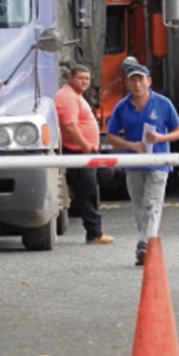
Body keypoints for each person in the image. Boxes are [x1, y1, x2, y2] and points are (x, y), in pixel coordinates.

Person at [106, 61, 179, 265]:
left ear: (148, 81)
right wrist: (130, 145)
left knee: (152, 204)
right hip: (134, 163)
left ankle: (146, 243)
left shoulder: (163, 103)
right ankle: (144, 242)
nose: (138, 84)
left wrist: (160, 138)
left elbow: (178, 131)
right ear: (127, 83)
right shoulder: (122, 106)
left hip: (158, 163)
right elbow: (111, 135)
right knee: (139, 205)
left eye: (141, 79)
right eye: (133, 80)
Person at [54, 65, 112, 245]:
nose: (84, 82)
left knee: (106, 173)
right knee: (88, 193)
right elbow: (70, 126)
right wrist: (87, 147)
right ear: (70, 78)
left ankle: (73, 187)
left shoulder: (76, 96)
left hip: (87, 151)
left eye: (87, 79)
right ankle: (94, 233)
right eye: (80, 78)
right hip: (79, 151)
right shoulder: (68, 97)